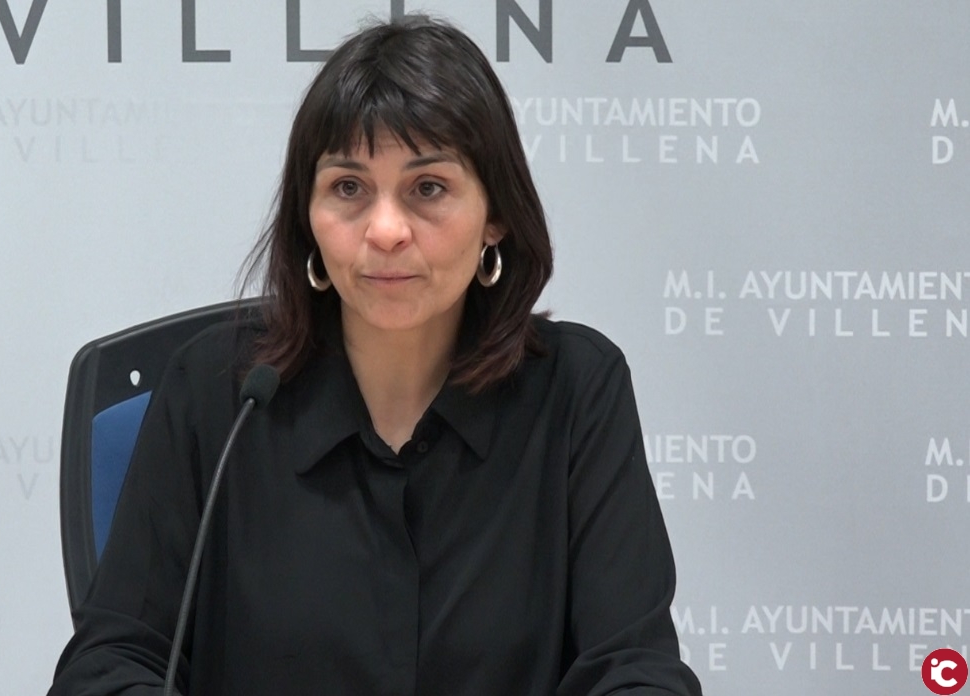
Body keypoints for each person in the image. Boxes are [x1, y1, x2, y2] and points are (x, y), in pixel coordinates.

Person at [49, 15, 702, 696]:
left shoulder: (575, 392)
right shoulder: (218, 393)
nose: (386, 230)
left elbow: (635, 668)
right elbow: (111, 663)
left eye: (428, 188)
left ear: (496, 215)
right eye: (349, 188)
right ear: (307, 217)